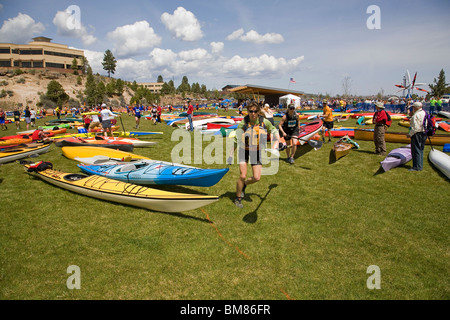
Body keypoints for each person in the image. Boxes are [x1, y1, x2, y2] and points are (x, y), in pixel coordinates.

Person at [234, 102, 280, 208]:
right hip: (243, 150)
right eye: (251, 111)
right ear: (248, 111)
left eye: (255, 111)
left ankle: (244, 184)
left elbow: (273, 129)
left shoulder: (264, 122)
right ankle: (238, 198)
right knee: (242, 175)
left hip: (256, 151)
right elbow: (237, 138)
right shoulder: (243, 123)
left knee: (257, 177)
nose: (253, 113)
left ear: (259, 112)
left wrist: (278, 141)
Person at [407, 102, 427, 171]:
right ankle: (419, 165)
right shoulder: (424, 112)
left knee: (416, 150)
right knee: (420, 150)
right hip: (424, 133)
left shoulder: (416, 115)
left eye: (413, 107)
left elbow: (415, 127)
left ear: (416, 107)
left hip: (417, 134)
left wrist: (410, 134)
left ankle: (417, 167)